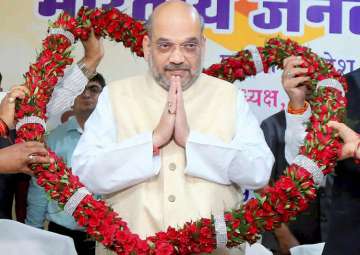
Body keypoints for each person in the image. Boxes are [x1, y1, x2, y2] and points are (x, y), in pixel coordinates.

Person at [69, 1, 310, 254]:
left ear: (203, 46)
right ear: (146, 46)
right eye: (165, 45)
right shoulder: (115, 95)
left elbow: (258, 171)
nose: (177, 58)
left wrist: (192, 142)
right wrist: (152, 141)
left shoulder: (229, 96)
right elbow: (85, 173)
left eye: (189, 46)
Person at [26, 73, 105, 255]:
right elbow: (40, 189)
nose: (86, 94)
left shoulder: (117, 138)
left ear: (104, 97)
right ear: (71, 100)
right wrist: (33, 233)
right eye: (81, 90)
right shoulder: (54, 139)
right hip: (62, 234)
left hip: (106, 237)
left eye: (93, 89)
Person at [260, 106, 332, 254]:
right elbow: (261, 184)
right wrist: (283, 235)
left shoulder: (345, 123)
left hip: (336, 236)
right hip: (287, 239)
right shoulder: (272, 125)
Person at [321, 68, 360, 255]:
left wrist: (357, 148)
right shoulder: (346, 86)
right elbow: (311, 155)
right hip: (349, 233)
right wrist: (298, 107)